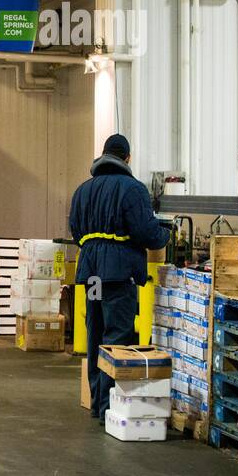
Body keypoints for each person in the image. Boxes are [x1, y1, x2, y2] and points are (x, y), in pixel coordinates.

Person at [69, 134, 171, 422]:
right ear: (127, 158)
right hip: (117, 273)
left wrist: (95, 249)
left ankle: (97, 402)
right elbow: (146, 233)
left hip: (92, 276)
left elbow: (76, 231)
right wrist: (166, 234)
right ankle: (107, 407)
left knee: (95, 331)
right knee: (117, 335)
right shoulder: (133, 189)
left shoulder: (83, 190)